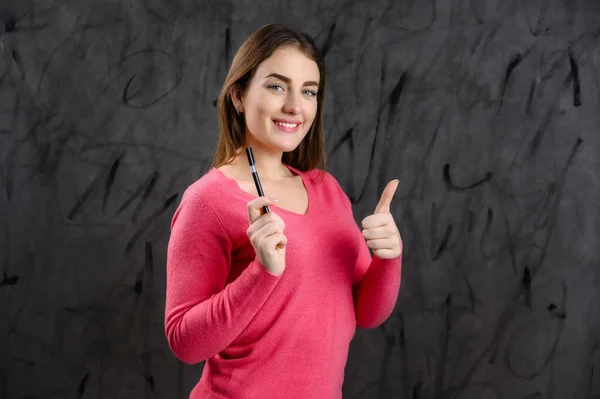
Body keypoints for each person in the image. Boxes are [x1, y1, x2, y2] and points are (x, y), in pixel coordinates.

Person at [164, 23, 403, 399]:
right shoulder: (207, 201)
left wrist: (388, 258)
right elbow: (185, 343)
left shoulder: (327, 191)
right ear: (239, 95)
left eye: (309, 91)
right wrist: (262, 273)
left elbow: (366, 313)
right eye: (277, 86)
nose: (295, 105)